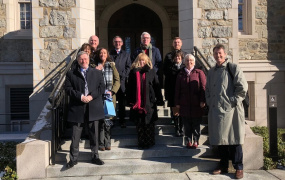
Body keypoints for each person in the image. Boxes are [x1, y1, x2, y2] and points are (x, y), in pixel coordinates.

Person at [205, 44, 248, 179]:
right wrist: (210, 102)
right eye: (216, 53)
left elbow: (242, 87)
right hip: (216, 110)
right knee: (221, 140)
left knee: (234, 139)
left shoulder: (233, 68)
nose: (218, 56)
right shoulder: (211, 71)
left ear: (225, 54)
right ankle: (223, 165)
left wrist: (232, 101)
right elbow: (207, 90)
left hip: (232, 111)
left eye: (220, 53)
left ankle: (238, 167)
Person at [65, 51, 105, 168]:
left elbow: (101, 87)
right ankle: (73, 159)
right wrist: (81, 96)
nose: (84, 61)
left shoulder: (96, 73)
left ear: (89, 59)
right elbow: (68, 89)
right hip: (78, 107)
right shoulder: (71, 74)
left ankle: (95, 156)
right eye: (81, 59)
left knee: (94, 134)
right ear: (78, 60)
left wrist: (91, 96)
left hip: (93, 106)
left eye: (85, 59)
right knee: (75, 135)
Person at [126, 53, 164, 149]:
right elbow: (129, 87)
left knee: (149, 124)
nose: (142, 62)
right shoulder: (133, 72)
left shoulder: (151, 72)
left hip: (149, 103)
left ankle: (150, 141)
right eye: (140, 60)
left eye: (143, 60)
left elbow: (156, 86)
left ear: (147, 61)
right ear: (137, 61)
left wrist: (159, 99)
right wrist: (129, 101)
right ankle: (141, 142)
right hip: (137, 103)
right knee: (139, 124)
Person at [175, 54, 206, 148]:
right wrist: (177, 102)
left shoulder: (199, 72)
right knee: (187, 124)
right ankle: (188, 140)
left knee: (196, 124)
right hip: (184, 104)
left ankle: (196, 141)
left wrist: (202, 100)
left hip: (196, 104)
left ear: (194, 62)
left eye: (191, 60)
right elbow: (177, 89)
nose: (189, 62)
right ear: (184, 62)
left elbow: (203, 87)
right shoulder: (180, 74)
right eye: (187, 60)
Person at [94, 48, 120, 151]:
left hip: (109, 97)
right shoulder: (94, 66)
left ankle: (108, 142)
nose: (102, 54)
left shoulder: (112, 65)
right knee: (101, 120)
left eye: (104, 53)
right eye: (101, 53)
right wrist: (97, 70)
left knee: (108, 121)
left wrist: (112, 91)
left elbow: (117, 80)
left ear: (107, 54)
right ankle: (101, 144)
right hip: (99, 97)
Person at [109, 36, 132, 128]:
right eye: (116, 42)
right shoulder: (109, 54)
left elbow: (128, 67)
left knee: (122, 102)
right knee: (111, 101)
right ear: (113, 43)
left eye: (119, 42)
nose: (117, 43)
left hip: (122, 82)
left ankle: (122, 120)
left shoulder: (126, 54)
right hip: (111, 82)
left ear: (122, 43)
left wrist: (121, 75)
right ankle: (112, 120)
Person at [164, 50, 185, 137]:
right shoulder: (170, 68)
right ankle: (177, 128)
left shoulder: (184, 68)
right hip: (173, 93)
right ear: (173, 58)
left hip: (183, 94)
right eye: (176, 57)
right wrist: (167, 94)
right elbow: (167, 82)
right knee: (175, 112)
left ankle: (182, 128)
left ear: (181, 58)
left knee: (182, 112)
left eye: (179, 57)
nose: (177, 58)